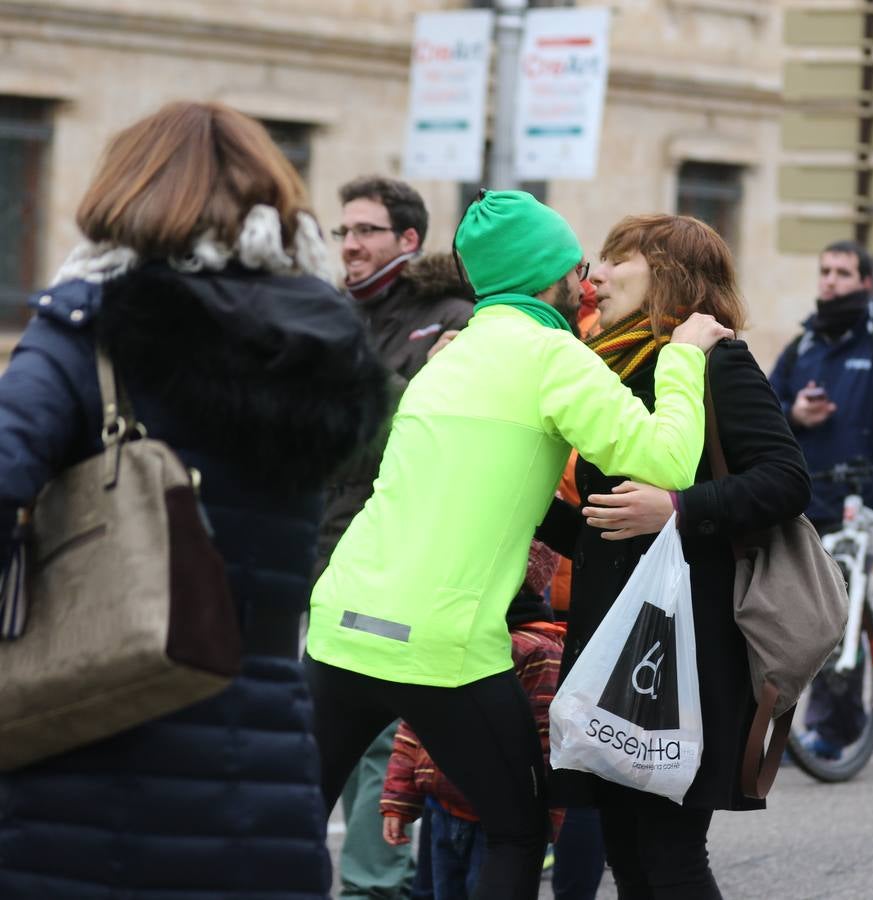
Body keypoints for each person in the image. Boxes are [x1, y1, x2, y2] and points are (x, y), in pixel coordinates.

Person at [0, 101, 388, 896]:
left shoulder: (91, 326)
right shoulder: (321, 349)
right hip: (266, 769)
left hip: (81, 760)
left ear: (127, 198)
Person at [304, 190, 733, 900]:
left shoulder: (448, 358)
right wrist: (684, 358)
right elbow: (665, 462)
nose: (587, 282)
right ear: (548, 278)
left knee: (289, 821)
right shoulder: (553, 357)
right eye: (577, 268)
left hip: (341, 623)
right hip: (442, 642)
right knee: (515, 829)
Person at [539, 214, 811, 898]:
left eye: (617, 258)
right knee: (628, 853)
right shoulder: (610, 366)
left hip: (684, 648)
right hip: (614, 643)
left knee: (670, 853)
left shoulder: (716, 360)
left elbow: (785, 479)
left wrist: (680, 509)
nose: (595, 274)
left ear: (670, 275)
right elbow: (604, 526)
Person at [321, 175, 475, 900]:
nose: (350, 245)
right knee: (335, 721)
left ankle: (374, 886)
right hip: (323, 550)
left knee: (381, 723)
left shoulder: (450, 317)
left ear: (408, 240)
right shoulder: (336, 317)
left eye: (366, 231)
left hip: (397, 551)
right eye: (343, 232)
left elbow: (415, 437)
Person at [767, 239, 873, 761]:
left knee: (839, 607)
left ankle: (834, 729)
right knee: (800, 613)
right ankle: (795, 722)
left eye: (842, 271)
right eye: (824, 270)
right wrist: (794, 412)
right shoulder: (803, 348)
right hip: (806, 496)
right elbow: (764, 406)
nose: (830, 280)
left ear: (865, 281)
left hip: (863, 497)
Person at [381, 543, 565, 900]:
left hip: (496, 826)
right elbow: (414, 721)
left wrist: (548, 821)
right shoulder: (452, 634)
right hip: (443, 811)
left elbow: (549, 745)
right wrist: (399, 797)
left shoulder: (537, 649)